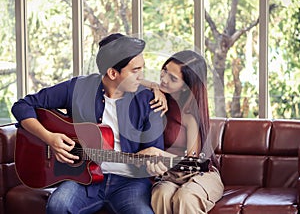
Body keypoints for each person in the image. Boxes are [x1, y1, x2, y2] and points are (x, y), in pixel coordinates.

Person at [11, 33, 167, 214]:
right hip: (83, 179)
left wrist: (155, 164)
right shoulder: (78, 88)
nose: (142, 77)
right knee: (58, 205)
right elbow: (22, 106)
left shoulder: (149, 102)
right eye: (135, 70)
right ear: (112, 73)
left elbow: (154, 153)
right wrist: (50, 138)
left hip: (129, 182)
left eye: (142, 69)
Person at [141, 50, 224, 214]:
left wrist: (157, 153)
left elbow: (192, 160)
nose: (163, 79)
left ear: (186, 87)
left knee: (185, 197)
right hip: (169, 176)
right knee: (160, 194)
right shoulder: (158, 99)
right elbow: (128, 81)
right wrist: (154, 87)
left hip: (200, 173)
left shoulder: (190, 115)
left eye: (173, 79)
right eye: (164, 71)